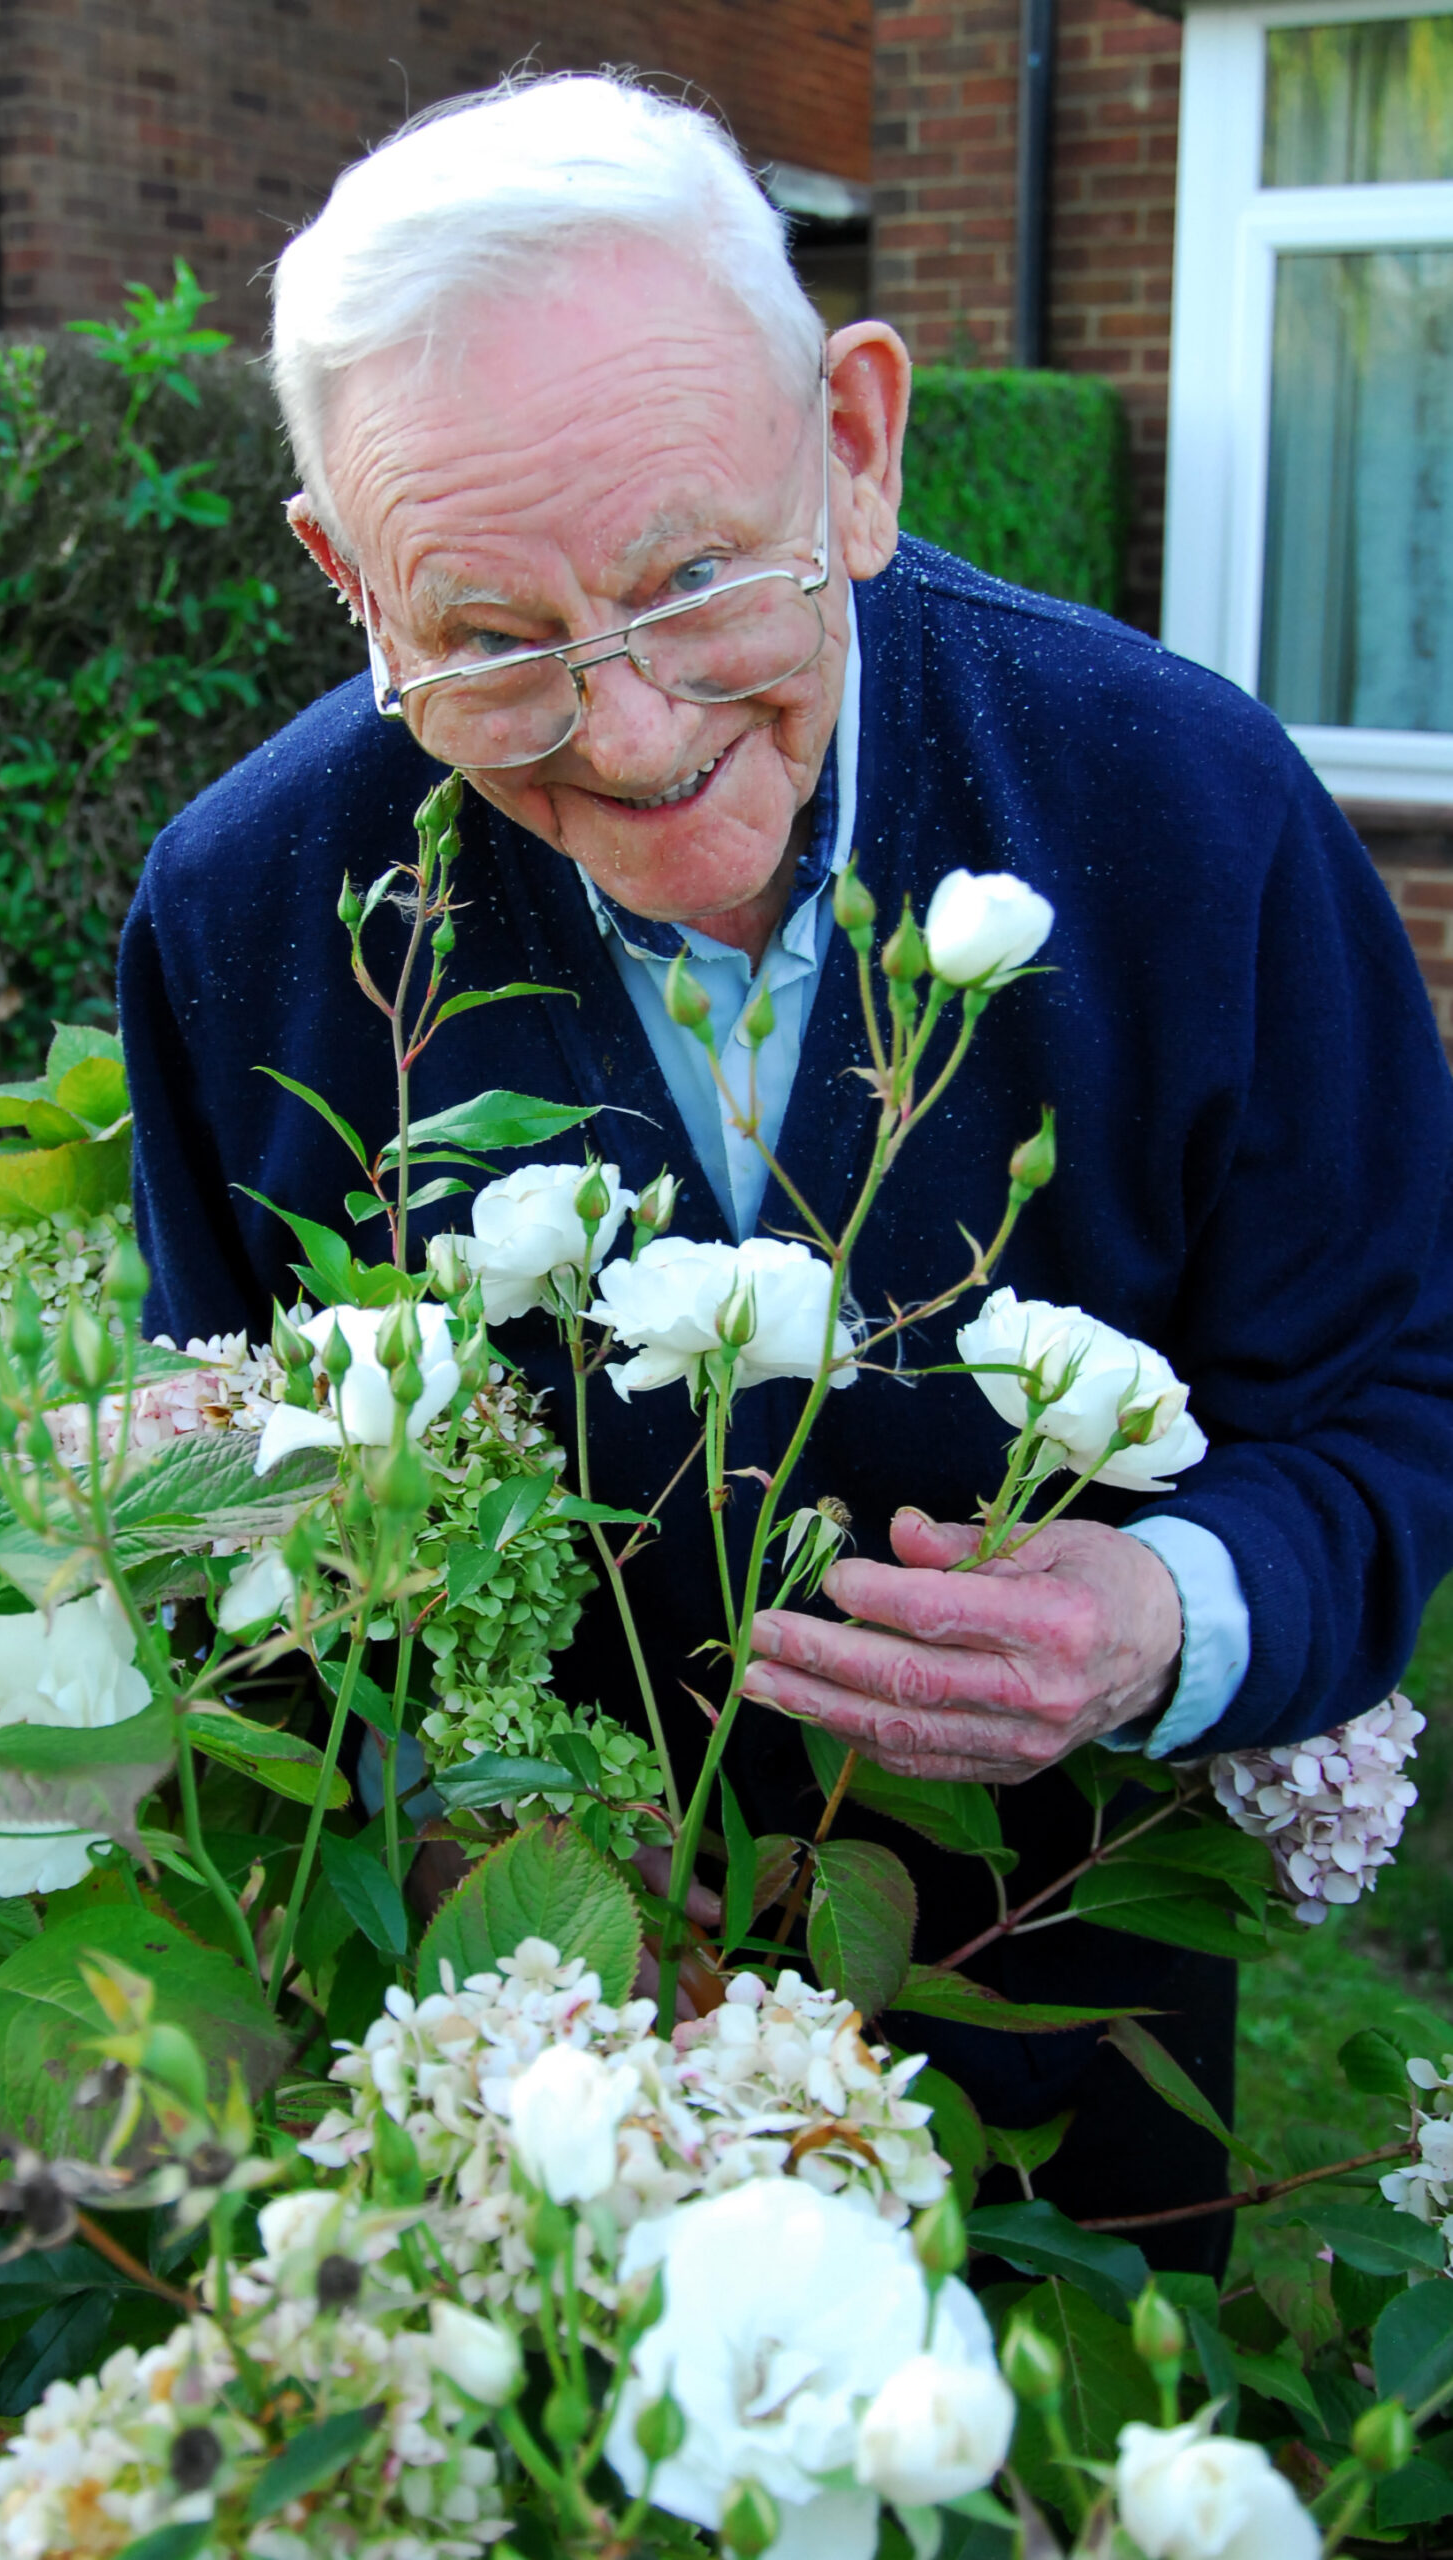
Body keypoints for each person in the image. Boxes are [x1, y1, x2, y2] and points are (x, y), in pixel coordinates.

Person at [118, 74, 1453, 2256]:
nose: (628, 731)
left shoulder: (1191, 811)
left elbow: (1394, 1393)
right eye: (486, 637)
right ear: (345, 577)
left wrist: (1156, 1615)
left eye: (686, 574)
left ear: (853, 440)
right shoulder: (245, 912)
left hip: (1057, 2081)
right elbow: (237, 1504)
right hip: (517, 2101)